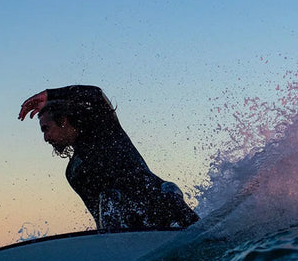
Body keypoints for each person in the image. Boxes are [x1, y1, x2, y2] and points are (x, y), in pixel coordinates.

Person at [19, 85, 199, 231]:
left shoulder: (105, 131)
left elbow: (96, 95)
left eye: (46, 129)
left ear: (63, 121)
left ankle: (206, 235)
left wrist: (51, 95)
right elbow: (99, 215)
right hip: (135, 225)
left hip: (162, 202)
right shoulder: (74, 171)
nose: (46, 138)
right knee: (108, 198)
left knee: (166, 190)